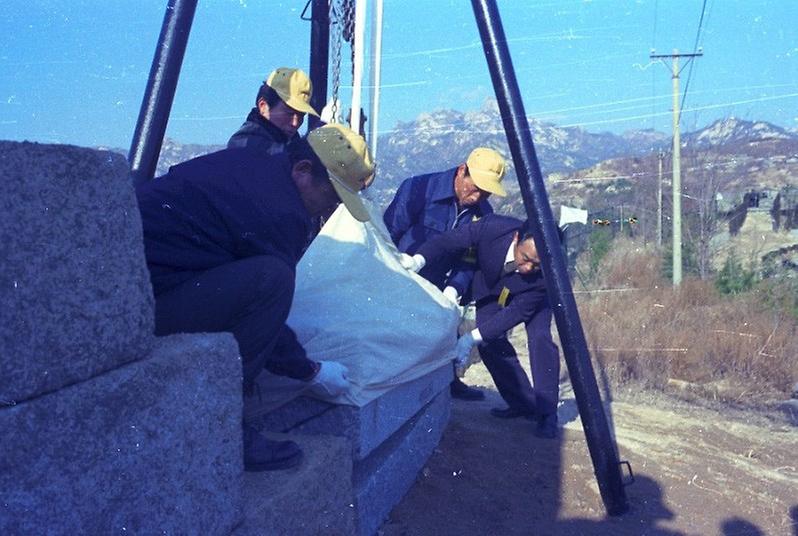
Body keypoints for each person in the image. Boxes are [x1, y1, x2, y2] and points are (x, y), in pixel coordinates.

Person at [136, 123, 375, 471]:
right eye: (332, 197)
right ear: (303, 170)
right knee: (273, 280)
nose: (329, 210)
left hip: (142, 289)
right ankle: (223, 429)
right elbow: (265, 302)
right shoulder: (282, 211)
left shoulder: (253, 166)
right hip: (148, 307)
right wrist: (310, 371)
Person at [404, 214, 560, 439]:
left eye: (536, 265)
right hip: (492, 288)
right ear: (516, 238)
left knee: (540, 339)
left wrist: (470, 339)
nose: (527, 268)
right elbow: (449, 240)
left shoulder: (544, 275)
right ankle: (522, 403)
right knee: (489, 342)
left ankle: (547, 414)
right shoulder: (493, 228)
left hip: (531, 299)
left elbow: (516, 313)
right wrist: (419, 259)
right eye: (525, 257)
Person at [383, 147, 507, 401]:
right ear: (462, 171)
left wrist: (455, 288)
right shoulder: (419, 189)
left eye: (486, 191)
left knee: (445, 329)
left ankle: (448, 380)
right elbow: (389, 232)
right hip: (400, 274)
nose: (479, 195)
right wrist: (387, 269)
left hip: (438, 284)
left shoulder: (484, 215)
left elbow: (470, 260)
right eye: (476, 186)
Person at [228, 67, 319, 155]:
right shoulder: (244, 142)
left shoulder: (289, 140)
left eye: (301, 115)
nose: (295, 123)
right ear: (263, 106)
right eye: (289, 113)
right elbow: (281, 156)